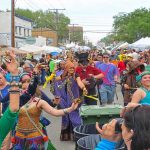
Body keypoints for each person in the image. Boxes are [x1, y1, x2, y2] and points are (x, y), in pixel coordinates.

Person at [52, 63, 88, 141]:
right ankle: (67, 136)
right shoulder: (63, 76)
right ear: (66, 68)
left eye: (72, 68)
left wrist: (83, 88)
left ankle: (78, 135)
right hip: (64, 99)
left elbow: (79, 82)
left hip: (74, 99)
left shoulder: (76, 75)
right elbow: (54, 80)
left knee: (75, 116)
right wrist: (53, 74)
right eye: (70, 68)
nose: (72, 69)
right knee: (66, 116)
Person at [0, 80, 20, 148]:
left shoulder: (10, 86)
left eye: (0, 78)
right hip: (4, 116)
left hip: (11, 114)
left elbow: (14, 107)